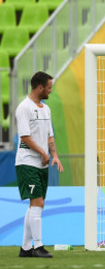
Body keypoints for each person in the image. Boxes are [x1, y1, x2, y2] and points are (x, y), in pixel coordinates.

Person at [16, 71, 64, 258]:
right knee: (38, 202)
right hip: (27, 162)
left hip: (42, 164)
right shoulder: (24, 108)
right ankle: (38, 246)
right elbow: (25, 137)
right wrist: (43, 152)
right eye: (49, 87)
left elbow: (49, 136)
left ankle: (26, 247)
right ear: (39, 87)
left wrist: (55, 155)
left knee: (36, 205)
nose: (51, 91)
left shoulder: (46, 109)